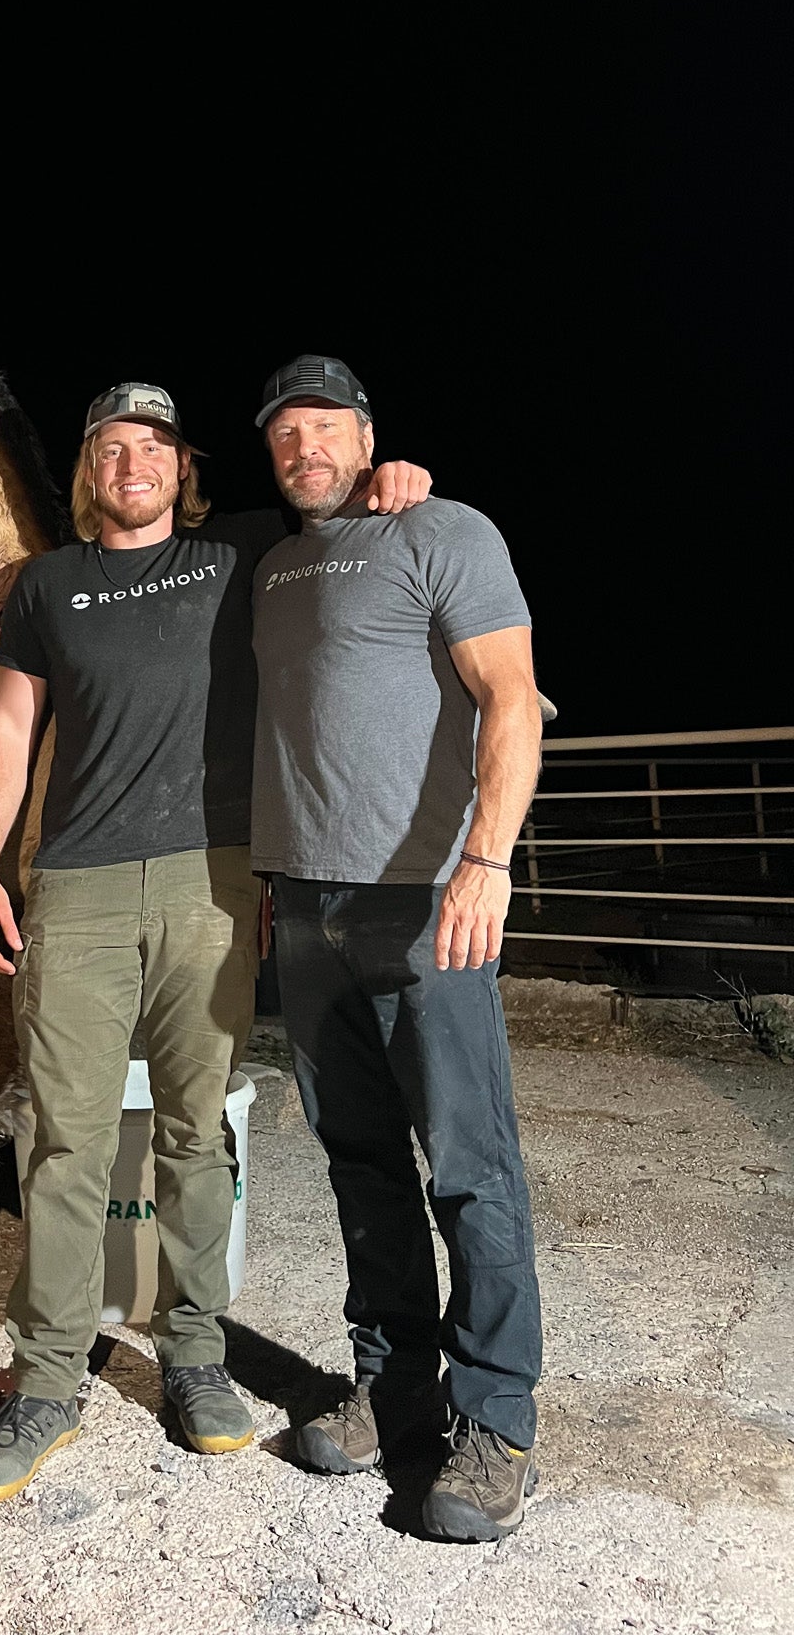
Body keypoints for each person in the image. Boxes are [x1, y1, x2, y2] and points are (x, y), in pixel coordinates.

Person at [0, 381, 431, 1503]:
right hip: (70, 887)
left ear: (185, 469)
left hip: (210, 881)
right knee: (64, 1139)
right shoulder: (47, 585)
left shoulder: (240, 559)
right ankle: (47, 1378)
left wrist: (391, 483)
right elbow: (12, 725)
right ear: (87, 470)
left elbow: (339, 508)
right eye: (111, 445)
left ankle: (197, 1358)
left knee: (192, 1132)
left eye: (155, 445)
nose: (133, 461)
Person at [250, 352, 545, 1542]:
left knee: (470, 1162)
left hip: (428, 896)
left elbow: (513, 699)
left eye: (325, 425)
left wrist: (487, 857)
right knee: (359, 1161)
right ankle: (395, 1385)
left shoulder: (444, 528)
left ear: (366, 434)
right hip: (306, 906)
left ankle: (497, 1422)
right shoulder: (268, 564)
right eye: (284, 432)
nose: (304, 446)